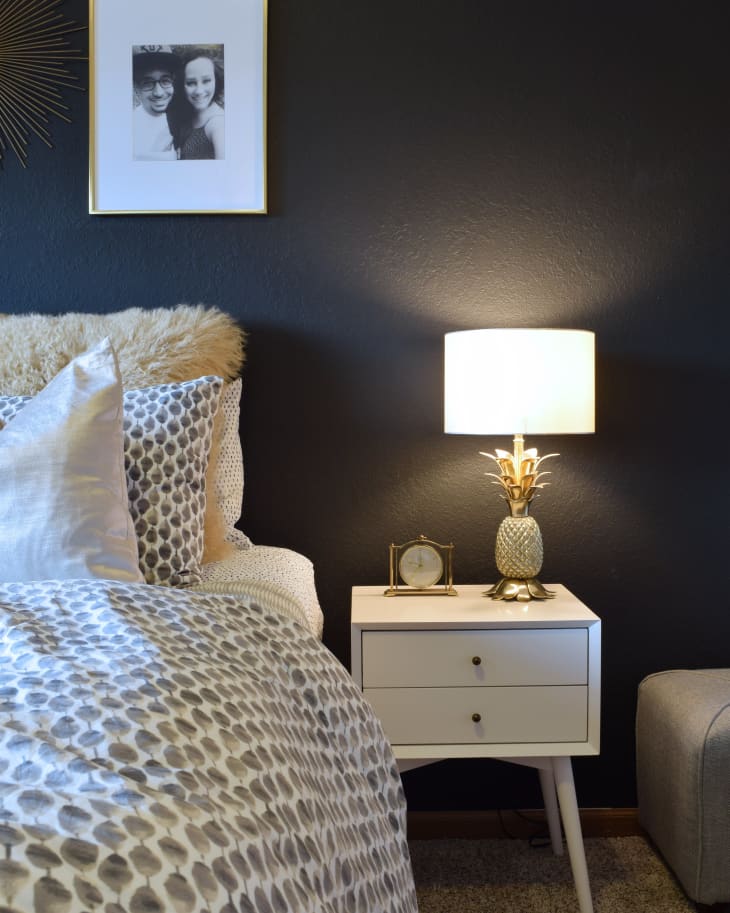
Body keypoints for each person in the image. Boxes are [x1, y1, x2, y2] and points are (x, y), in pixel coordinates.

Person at [169, 48, 225, 160]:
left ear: (216, 80)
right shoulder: (187, 112)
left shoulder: (218, 124)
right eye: (191, 83)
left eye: (206, 81)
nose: (199, 91)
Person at [132, 45, 180, 161]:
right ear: (136, 87)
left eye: (165, 80)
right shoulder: (130, 129)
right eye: (147, 83)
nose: (158, 93)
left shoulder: (182, 118)